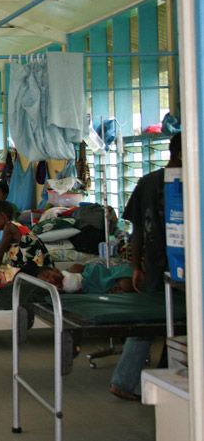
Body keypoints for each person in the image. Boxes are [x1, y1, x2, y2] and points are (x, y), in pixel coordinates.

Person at [109, 132, 182, 401]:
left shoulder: (148, 182)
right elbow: (138, 227)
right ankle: (150, 381)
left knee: (152, 321)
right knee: (172, 321)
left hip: (153, 264)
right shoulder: (190, 182)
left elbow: (137, 229)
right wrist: (136, 265)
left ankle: (133, 380)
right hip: (176, 266)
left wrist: (135, 264)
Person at [0, 200, 52, 284]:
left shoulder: (9, 227)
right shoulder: (16, 226)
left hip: (37, 268)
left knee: (11, 285)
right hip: (40, 266)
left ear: (2, 216)